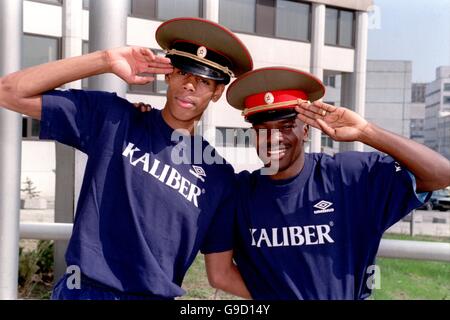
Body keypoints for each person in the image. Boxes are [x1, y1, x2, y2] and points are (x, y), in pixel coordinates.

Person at [0, 17, 253, 300]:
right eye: (183, 73)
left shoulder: (218, 176)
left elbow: (220, 273)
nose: (190, 86)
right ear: (168, 75)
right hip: (85, 292)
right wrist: (105, 59)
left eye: (204, 80)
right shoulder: (115, 119)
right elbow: (9, 92)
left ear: (217, 92)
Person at [205, 66, 450, 300]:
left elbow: (440, 174)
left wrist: (365, 130)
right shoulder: (237, 194)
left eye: (287, 126)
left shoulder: (348, 177)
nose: (274, 138)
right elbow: (219, 274)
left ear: (305, 131)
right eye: (262, 129)